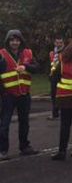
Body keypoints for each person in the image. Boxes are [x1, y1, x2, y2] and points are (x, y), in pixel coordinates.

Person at [0, 30, 39, 160]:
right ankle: (2, 150)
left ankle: (24, 146)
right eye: (12, 40)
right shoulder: (2, 55)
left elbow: (37, 68)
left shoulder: (27, 53)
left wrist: (26, 67)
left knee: (24, 122)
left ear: (20, 41)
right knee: (4, 124)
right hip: (8, 95)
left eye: (17, 40)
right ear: (8, 41)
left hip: (24, 94)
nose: (14, 43)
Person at [47, 36, 64, 120]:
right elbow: (50, 64)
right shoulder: (52, 53)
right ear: (54, 43)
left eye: (61, 42)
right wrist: (50, 74)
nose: (59, 44)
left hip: (62, 76)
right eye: (57, 42)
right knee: (54, 95)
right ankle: (55, 113)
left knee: (62, 95)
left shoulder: (65, 52)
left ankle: (62, 112)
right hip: (54, 76)